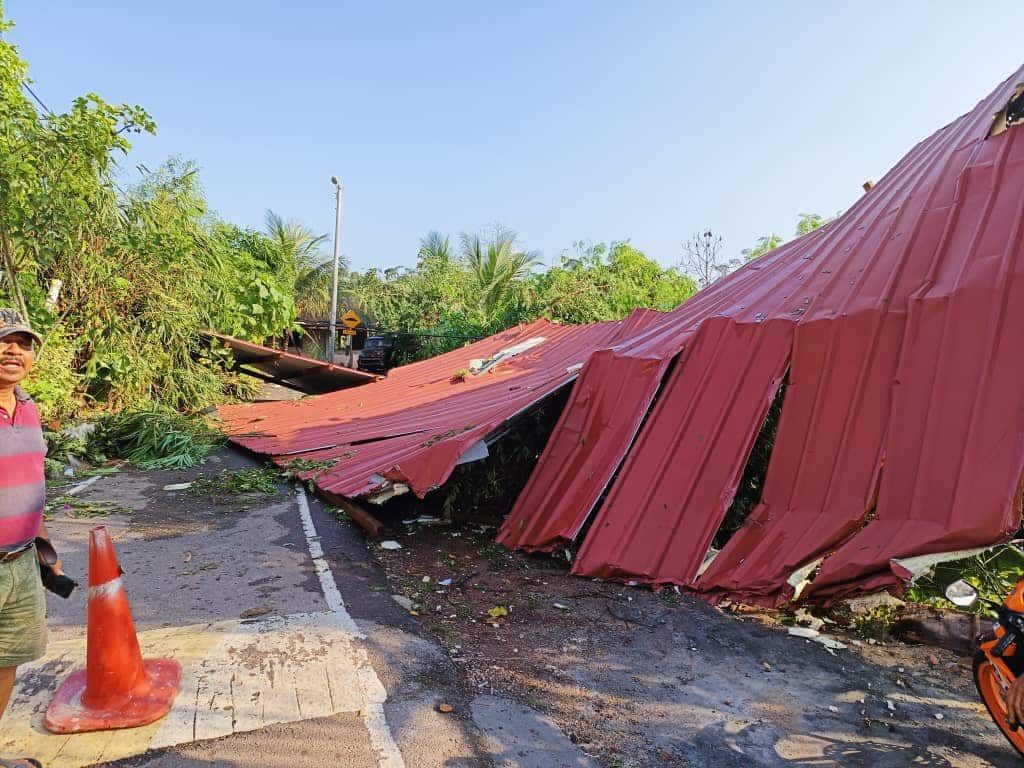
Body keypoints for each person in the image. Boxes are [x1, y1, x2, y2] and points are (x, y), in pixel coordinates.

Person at [0, 309, 63, 768]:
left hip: (22, 561)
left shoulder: (29, 408)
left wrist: (46, 552)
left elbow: (31, 484)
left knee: (7, 662)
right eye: (3, 341)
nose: (13, 350)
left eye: (23, 343)